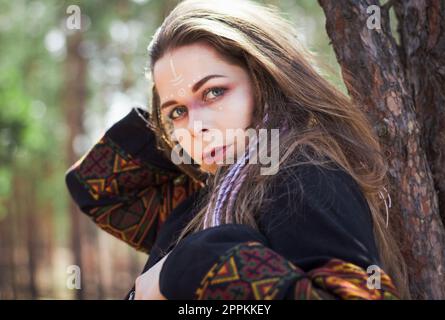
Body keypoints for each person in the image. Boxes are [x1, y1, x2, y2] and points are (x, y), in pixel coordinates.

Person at [65, 0, 409, 300]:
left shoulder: (303, 178)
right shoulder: (209, 196)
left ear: (265, 80)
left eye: (214, 92)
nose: (196, 127)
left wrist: (190, 264)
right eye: (177, 112)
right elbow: (97, 189)